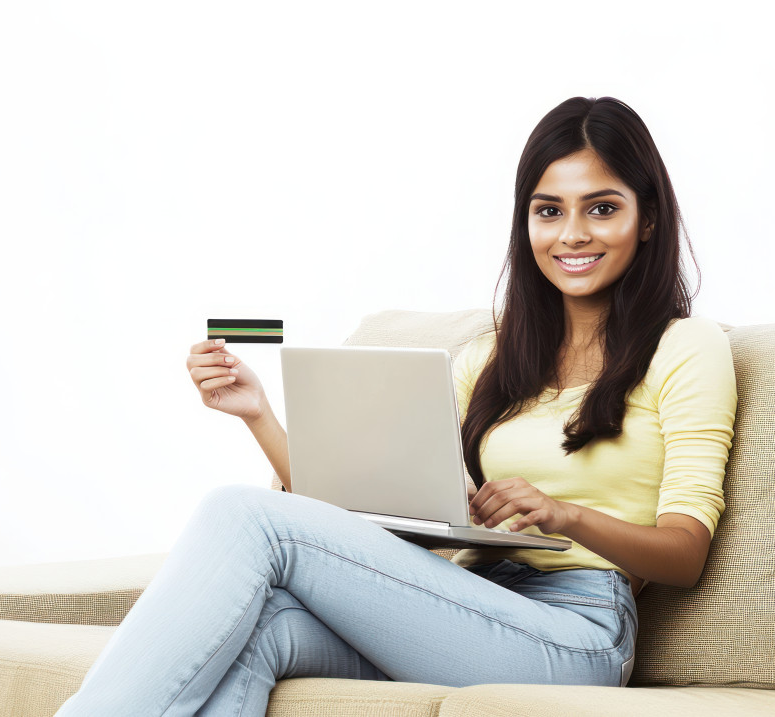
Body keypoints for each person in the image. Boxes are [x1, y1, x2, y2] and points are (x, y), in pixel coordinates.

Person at [53, 95, 737, 716]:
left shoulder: (685, 348)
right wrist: (259, 414)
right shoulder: (491, 360)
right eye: (549, 210)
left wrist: (568, 514)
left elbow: (685, 554)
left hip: (577, 633)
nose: (572, 234)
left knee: (240, 512)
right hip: (467, 604)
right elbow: (360, 511)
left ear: (647, 219)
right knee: (264, 627)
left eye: (603, 207)